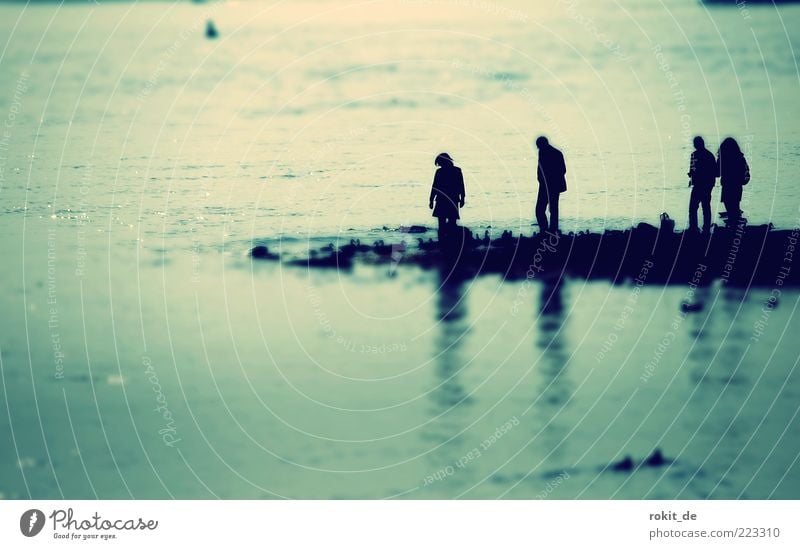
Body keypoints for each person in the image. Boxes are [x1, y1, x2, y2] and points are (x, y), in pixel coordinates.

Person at [429, 153, 465, 241]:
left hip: (442, 200)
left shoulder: (440, 172)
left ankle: (443, 241)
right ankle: (450, 242)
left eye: (439, 163)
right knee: (452, 223)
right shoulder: (456, 170)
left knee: (442, 224)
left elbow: (435, 187)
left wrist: (431, 200)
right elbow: (461, 186)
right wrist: (463, 198)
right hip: (453, 199)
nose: (439, 165)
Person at [535, 136, 567, 234]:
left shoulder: (556, 153)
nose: (538, 148)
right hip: (545, 185)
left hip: (553, 186)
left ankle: (550, 230)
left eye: (539, 146)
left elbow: (562, 170)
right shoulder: (543, 152)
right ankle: (546, 229)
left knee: (548, 209)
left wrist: (549, 178)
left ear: (543, 144)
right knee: (545, 209)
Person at [687, 136, 717, 232]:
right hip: (708, 184)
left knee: (693, 207)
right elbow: (715, 172)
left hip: (699, 184)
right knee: (706, 207)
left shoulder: (694, 155)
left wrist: (691, 176)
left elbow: (692, 170)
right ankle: (706, 228)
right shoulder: (710, 155)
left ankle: (693, 227)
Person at [716, 137, 750, 222]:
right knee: (735, 208)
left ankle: (733, 228)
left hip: (727, 186)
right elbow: (746, 172)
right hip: (737, 186)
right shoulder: (740, 158)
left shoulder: (722, 158)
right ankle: (736, 228)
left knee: (730, 210)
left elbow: (717, 174)